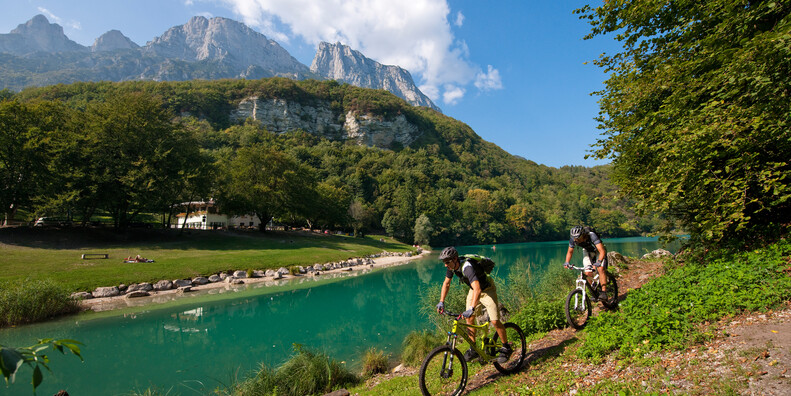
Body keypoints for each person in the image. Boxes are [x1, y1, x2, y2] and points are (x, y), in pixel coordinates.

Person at [435, 247, 512, 363]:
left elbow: (478, 289)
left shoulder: (467, 267)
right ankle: (473, 349)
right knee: (469, 318)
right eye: (444, 262)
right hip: (474, 290)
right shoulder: (452, 267)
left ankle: (506, 347)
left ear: (455, 259)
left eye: (447, 262)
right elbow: (446, 284)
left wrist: (471, 308)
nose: (445, 265)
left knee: (495, 320)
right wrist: (441, 301)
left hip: (486, 289)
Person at [564, 225, 610, 300]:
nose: (576, 240)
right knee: (588, 272)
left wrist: (599, 262)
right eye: (574, 238)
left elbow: (601, 251)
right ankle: (594, 291)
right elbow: (570, 252)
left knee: (601, 268)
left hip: (598, 250)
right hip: (587, 251)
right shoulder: (573, 239)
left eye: (578, 238)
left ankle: (604, 292)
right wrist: (567, 262)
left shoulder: (592, 235)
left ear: (583, 235)